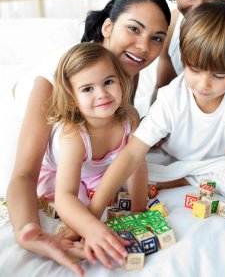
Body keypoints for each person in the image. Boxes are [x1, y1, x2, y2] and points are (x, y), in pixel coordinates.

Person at [6, 0, 170, 274]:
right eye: (134, 28)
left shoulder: (123, 74)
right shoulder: (56, 85)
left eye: (156, 38)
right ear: (108, 27)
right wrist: (29, 232)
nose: (144, 47)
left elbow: (128, 147)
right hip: (34, 111)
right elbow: (24, 174)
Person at [88, 1, 225, 229]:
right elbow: (133, 153)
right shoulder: (172, 96)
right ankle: (181, 178)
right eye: (194, 70)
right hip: (173, 159)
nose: (203, 84)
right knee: (126, 171)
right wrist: (92, 213)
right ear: (184, 59)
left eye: (219, 75)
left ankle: (183, 180)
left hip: (220, 161)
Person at [37, 42, 147, 273]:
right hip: (60, 175)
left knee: (115, 192)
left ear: (120, 80)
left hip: (98, 172)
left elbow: (137, 163)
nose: (102, 94)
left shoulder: (130, 118)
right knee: (78, 210)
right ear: (71, 98)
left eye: (108, 82)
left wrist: (139, 210)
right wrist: (91, 228)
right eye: (87, 89)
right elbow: (65, 193)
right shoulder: (73, 135)